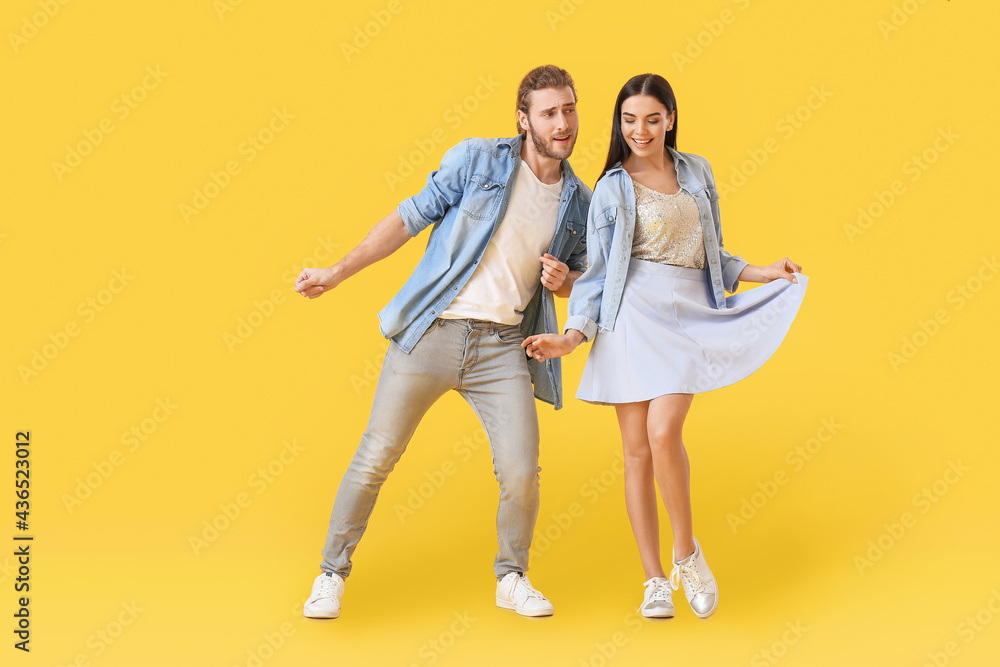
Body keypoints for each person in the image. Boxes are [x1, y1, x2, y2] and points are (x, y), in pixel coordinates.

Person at [293, 65, 591, 619]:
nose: (563, 122)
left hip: (504, 347)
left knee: (523, 471)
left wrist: (566, 282)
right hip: (433, 329)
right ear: (524, 119)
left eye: (569, 109)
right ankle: (330, 573)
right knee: (376, 456)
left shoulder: (580, 200)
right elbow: (408, 219)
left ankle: (512, 577)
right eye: (549, 112)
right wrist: (338, 271)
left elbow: (584, 282)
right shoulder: (477, 159)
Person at [521, 73, 808, 619]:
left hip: (686, 315)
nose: (640, 131)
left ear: (670, 118)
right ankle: (654, 579)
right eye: (629, 120)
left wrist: (762, 271)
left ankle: (687, 553)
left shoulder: (696, 171)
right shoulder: (611, 187)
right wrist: (570, 337)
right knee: (635, 453)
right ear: (619, 123)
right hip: (630, 316)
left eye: (652, 119)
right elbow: (601, 275)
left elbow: (712, 254)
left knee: (663, 431)